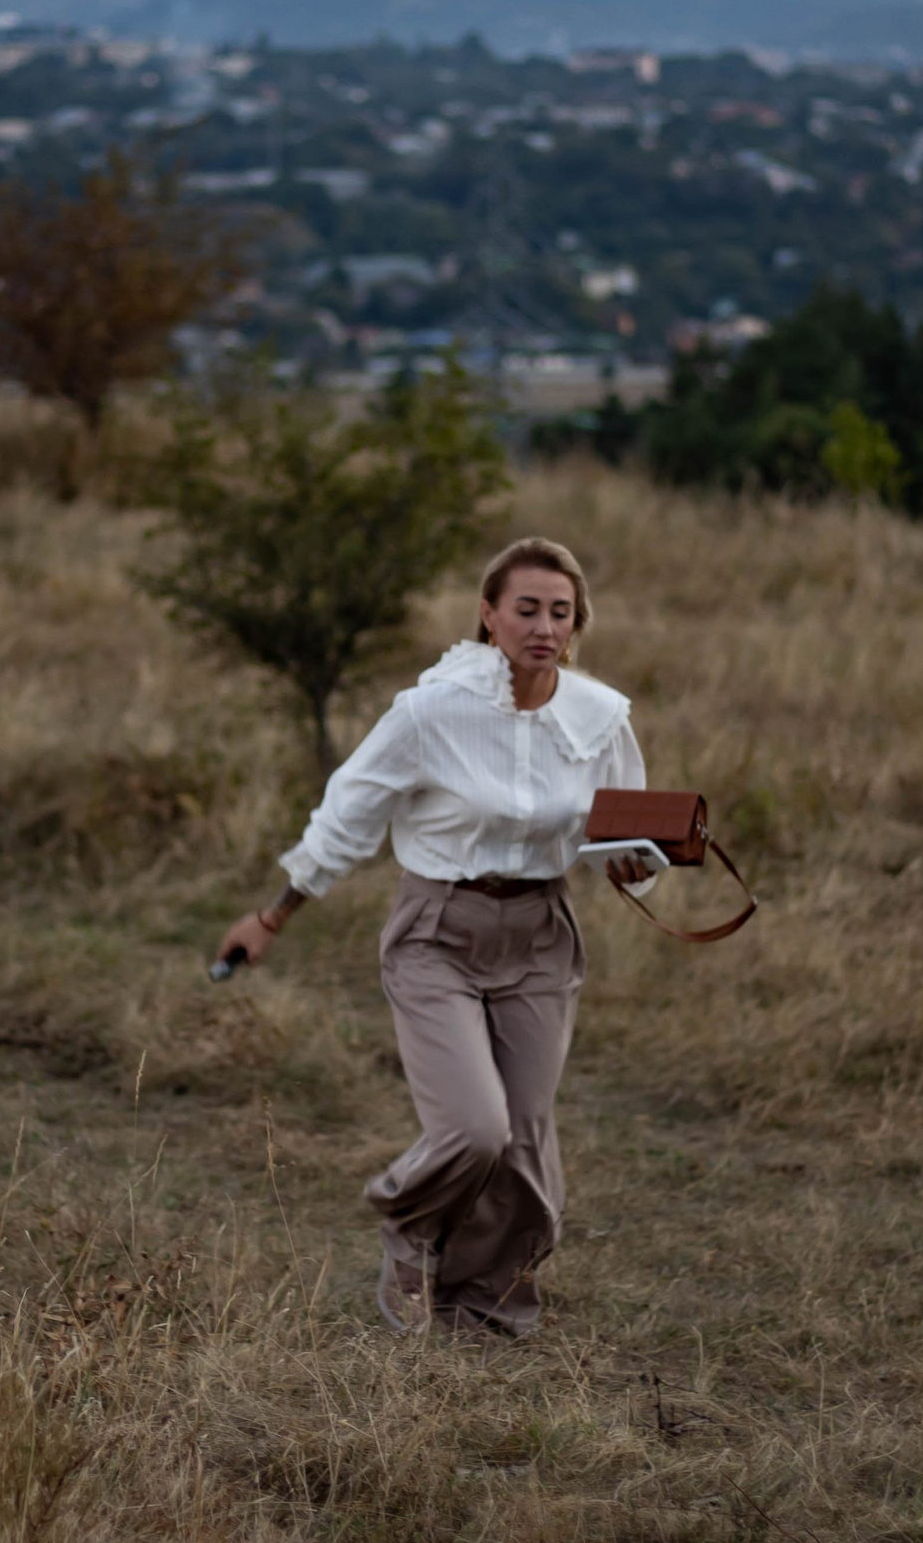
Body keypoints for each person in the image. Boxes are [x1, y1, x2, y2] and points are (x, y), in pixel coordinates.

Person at [214, 535, 658, 1336]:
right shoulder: (430, 710)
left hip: (541, 934)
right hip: (437, 932)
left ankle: (481, 1307)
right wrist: (276, 913)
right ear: (488, 615)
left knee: (522, 1147)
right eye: (526, 608)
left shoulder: (601, 717)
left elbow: (626, 829)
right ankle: (408, 1226)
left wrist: (636, 870)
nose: (544, 626)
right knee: (474, 1129)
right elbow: (349, 814)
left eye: (561, 612)